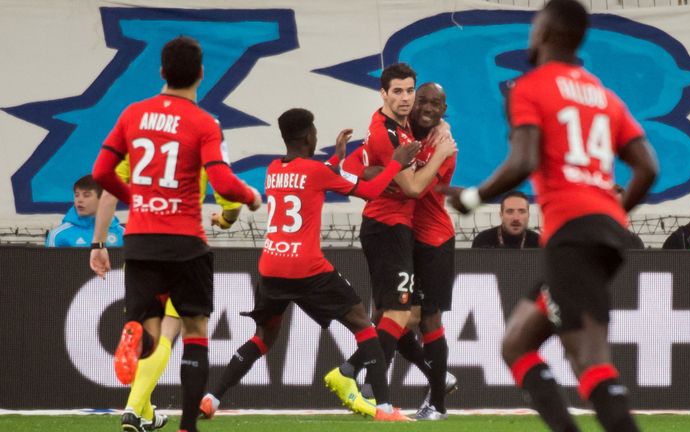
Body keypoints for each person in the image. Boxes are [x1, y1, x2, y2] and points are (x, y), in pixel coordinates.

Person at [444, 1, 658, 430]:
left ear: (545, 31)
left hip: (572, 236)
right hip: (601, 233)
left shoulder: (531, 87)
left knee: (590, 360)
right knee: (516, 343)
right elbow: (648, 168)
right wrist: (613, 213)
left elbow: (523, 161)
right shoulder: (603, 95)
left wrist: (471, 197)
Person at [197, 108, 421, 422]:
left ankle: (211, 398)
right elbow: (370, 191)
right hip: (306, 267)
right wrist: (397, 160)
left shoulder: (274, 168)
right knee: (363, 325)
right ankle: (384, 408)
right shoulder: (315, 171)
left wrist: (336, 160)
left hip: (272, 266)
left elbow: (308, 181)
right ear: (307, 136)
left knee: (263, 337)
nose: (317, 136)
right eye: (314, 131)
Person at [92, 36, 261, 432]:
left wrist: (138, 198)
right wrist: (251, 196)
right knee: (195, 332)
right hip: (186, 242)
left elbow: (100, 174)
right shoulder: (204, 123)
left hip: (141, 239)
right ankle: (187, 426)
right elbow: (221, 179)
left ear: (162, 72)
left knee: (152, 333)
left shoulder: (133, 114)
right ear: (201, 73)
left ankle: (136, 334)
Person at [323, 64, 457, 415]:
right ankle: (369, 378)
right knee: (398, 315)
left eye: (434, 104)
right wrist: (390, 166)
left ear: (444, 110)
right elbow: (395, 180)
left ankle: (430, 396)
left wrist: (423, 157)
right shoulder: (398, 133)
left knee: (419, 318)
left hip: (432, 241)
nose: (424, 107)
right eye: (417, 98)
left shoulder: (441, 142)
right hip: (396, 230)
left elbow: (391, 177)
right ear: (388, 95)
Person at [89, 156, 243, 431]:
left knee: (150, 332)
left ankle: (146, 413)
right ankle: (133, 409)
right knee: (173, 333)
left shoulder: (139, 135)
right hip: (184, 248)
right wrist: (226, 219)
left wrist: (98, 242)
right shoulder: (200, 137)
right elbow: (230, 196)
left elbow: (109, 188)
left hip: (141, 248)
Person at [45, 175, 124, 247]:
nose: (79, 200)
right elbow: (49, 263)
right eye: (77, 195)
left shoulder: (123, 234)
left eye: (86, 195)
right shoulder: (58, 235)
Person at [471, 191, 540, 249]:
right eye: (510, 211)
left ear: (528, 215)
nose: (516, 218)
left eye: (522, 211)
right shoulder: (483, 241)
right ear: (501, 215)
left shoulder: (539, 242)